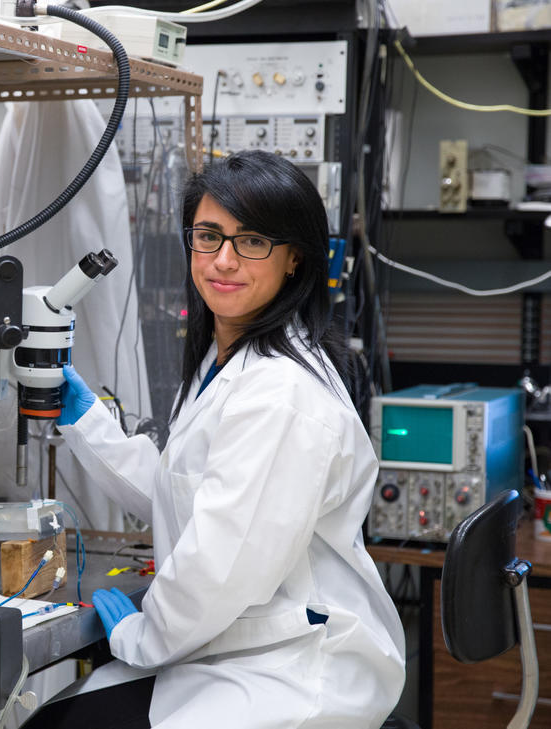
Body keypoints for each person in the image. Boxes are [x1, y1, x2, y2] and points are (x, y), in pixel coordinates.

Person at [41, 150, 406, 728]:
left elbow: (219, 565)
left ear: (294, 260)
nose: (224, 261)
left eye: (252, 241)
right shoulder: (227, 357)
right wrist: (84, 419)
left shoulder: (280, 394)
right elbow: (184, 491)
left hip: (288, 672)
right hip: (233, 649)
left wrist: (140, 634)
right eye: (208, 236)